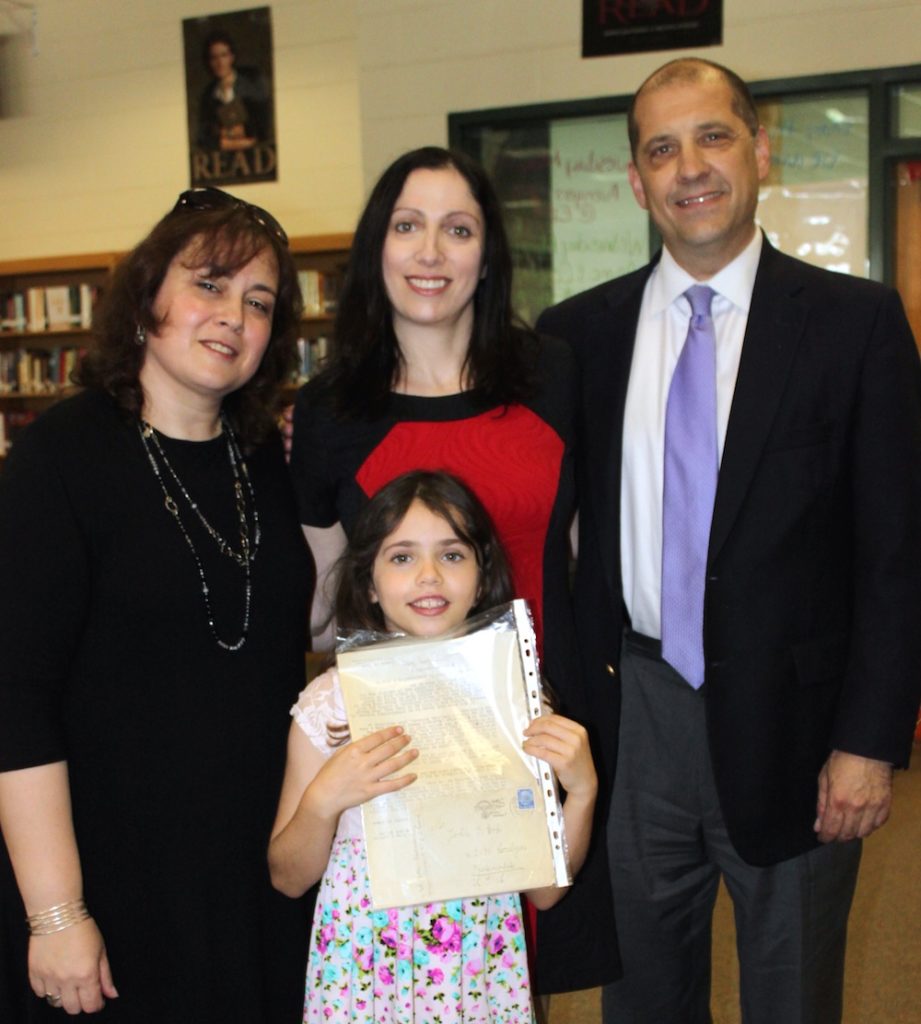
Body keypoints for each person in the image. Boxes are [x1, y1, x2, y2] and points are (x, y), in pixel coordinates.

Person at [537, 57, 921, 1024]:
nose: (689, 167)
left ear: (757, 149)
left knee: (791, 998)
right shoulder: (574, 338)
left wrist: (869, 743)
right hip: (632, 727)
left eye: (711, 136)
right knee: (643, 1002)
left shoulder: (855, 324)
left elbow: (896, 554)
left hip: (799, 735)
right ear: (634, 180)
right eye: (660, 149)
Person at [289, 145, 619, 995]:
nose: (431, 252)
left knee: (518, 962)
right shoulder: (329, 408)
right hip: (407, 742)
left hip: (541, 715)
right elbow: (328, 605)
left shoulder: (551, 375)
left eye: (457, 229)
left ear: (487, 255)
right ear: (377, 248)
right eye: (408, 226)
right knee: (423, 975)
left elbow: (578, 550)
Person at [0, 187, 312, 1021]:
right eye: (208, 284)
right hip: (109, 878)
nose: (233, 317)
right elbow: (15, 698)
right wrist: (57, 912)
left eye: (258, 301)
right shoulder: (58, 458)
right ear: (148, 297)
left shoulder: (262, 462)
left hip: (253, 875)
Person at [269, 469, 598, 1023]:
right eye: (401, 557)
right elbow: (287, 875)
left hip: (478, 971)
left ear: (480, 573)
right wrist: (324, 799)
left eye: (451, 555)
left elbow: (545, 893)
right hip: (363, 973)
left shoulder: (515, 697)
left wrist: (583, 790)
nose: (428, 576)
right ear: (369, 582)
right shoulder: (332, 705)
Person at [196, 30, 269, 153]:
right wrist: (235, 139)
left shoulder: (251, 87)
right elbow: (204, 138)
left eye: (224, 55)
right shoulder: (208, 95)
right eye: (214, 57)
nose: (220, 63)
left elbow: (261, 130)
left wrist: (224, 135)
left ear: (231, 57)